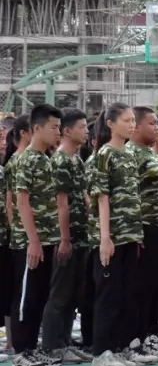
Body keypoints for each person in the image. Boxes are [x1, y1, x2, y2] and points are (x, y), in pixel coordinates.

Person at [88, 104, 143, 366]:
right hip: (112, 237)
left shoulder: (130, 153)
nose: (132, 125)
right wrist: (105, 238)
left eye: (133, 120)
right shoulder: (104, 154)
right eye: (126, 120)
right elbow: (102, 199)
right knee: (107, 296)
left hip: (131, 235)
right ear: (110, 123)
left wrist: (137, 234)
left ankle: (120, 347)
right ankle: (102, 352)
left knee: (127, 293)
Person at [11, 104, 62, 366]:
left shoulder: (46, 159)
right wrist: (33, 240)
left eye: (59, 127)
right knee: (26, 297)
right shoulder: (27, 159)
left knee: (40, 295)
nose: (57, 132)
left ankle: (33, 347)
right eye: (53, 127)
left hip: (46, 240)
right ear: (37, 129)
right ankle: (22, 352)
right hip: (28, 242)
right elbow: (21, 201)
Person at [41, 109, 93, 364]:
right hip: (67, 237)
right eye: (82, 127)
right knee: (60, 295)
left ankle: (65, 343)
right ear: (68, 131)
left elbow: (84, 198)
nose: (87, 131)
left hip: (81, 236)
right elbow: (61, 204)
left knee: (73, 294)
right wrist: (64, 239)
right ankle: (53, 346)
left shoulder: (77, 160)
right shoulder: (60, 160)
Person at [128, 107, 158, 363]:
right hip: (142, 229)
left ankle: (145, 338)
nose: (157, 128)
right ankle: (132, 342)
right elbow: (128, 197)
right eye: (151, 123)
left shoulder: (154, 155)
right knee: (137, 290)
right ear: (135, 126)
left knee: (151, 289)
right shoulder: (130, 155)